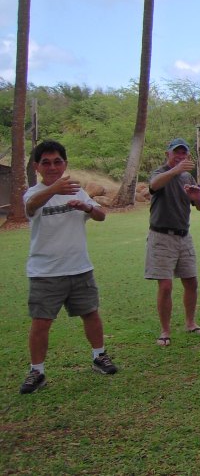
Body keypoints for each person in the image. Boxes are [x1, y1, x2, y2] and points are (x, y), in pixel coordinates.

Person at [19, 141, 117, 394]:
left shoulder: (77, 191)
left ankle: (99, 356)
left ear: (65, 164)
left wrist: (87, 206)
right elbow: (31, 208)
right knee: (41, 323)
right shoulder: (33, 193)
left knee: (91, 314)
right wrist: (54, 189)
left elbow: (101, 215)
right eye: (46, 162)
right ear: (37, 166)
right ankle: (37, 371)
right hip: (45, 272)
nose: (52, 167)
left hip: (79, 268)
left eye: (57, 162)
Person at [145, 138, 200, 347]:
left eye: (183, 154)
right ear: (168, 154)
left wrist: (197, 198)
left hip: (184, 236)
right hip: (161, 236)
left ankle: (190, 323)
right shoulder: (160, 172)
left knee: (191, 282)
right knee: (165, 286)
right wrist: (175, 170)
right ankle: (165, 331)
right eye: (176, 153)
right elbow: (153, 185)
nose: (180, 157)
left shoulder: (187, 176)